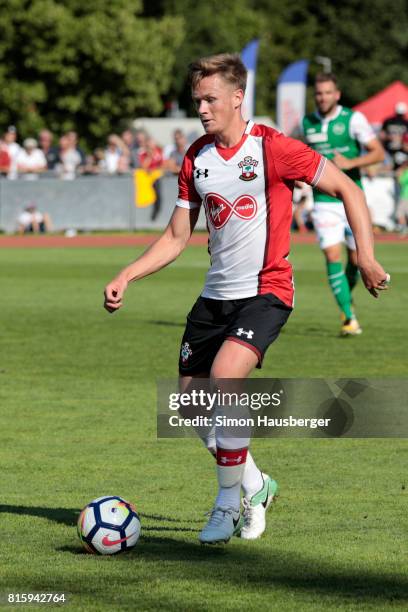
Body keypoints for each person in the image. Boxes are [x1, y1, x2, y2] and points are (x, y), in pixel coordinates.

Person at [104, 54, 389, 545]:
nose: (203, 109)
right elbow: (176, 238)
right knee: (192, 409)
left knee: (225, 378)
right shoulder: (196, 157)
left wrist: (364, 254)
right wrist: (128, 274)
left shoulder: (274, 149)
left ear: (238, 99)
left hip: (268, 290)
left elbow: (347, 188)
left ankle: (225, 504)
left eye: (211, 99)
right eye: (198, 101)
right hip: (215, 296)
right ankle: (255, 486)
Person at [302, 73, 385, 336]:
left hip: (352, 200)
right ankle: (348, 317)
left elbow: (378, 152)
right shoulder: (306, 123)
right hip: (323, 201)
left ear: (337, 94)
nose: (322, 97)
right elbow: (291, 148)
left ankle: (346, 300)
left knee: (357, 260)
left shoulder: (353, 119)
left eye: (327, 92)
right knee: (332, 255)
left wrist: (351, 163)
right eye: (318, 93)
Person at [380, 102, 408, 170]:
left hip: (400, 152)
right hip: (389, 150)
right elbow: (382, 136)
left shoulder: (388, 121)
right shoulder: (388, 121)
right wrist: (390, 137)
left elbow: (381, 135)